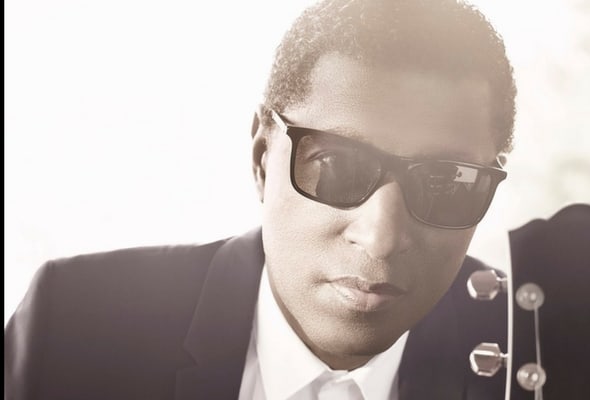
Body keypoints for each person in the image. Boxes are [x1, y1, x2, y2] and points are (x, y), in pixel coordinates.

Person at [5, 0, 516, 399]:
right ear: (262, 159)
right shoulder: (74, 327)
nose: (381, 237)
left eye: (448, 182)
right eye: (337, 166)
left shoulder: (536, 349)